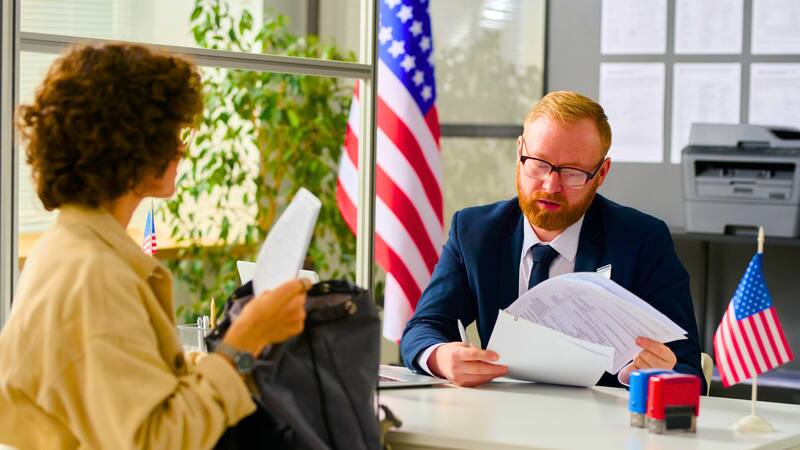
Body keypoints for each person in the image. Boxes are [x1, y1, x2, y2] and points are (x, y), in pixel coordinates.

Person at [0, 43, 309, 449]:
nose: (181, 148)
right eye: (169, 133)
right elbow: (155, 440)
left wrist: (226, 356)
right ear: (130, 144)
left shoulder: (72, 250)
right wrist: (242, 342)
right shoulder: (95, 276)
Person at [400, 91, 704, 391]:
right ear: (519, 152)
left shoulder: (642, 241)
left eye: (573, 172)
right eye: (539, 163)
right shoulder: (474, 231)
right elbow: (423, 328)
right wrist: (441, 357)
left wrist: (650, 374)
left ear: (602, 173)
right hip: (500, 420)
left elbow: (687, 367)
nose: (551, 185)